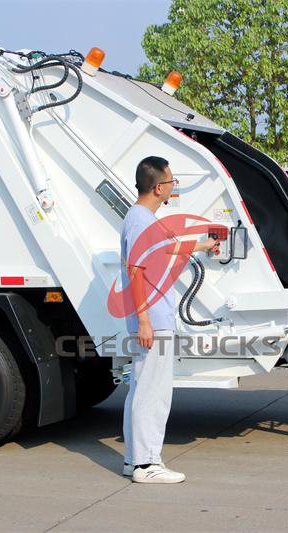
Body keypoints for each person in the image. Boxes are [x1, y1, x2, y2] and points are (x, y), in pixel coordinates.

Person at [120, 156, 218, 484]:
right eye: (172, 181)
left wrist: (202, 244)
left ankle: (135, 460)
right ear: (159, 187)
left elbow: (165, 251)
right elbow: (136, 270)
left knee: (142, 390)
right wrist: (145, 321)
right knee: (153, 393)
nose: (174, 186)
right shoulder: (140, 220)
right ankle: (147, 465)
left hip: (155, 319)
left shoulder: (145, 218)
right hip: (153, 321)